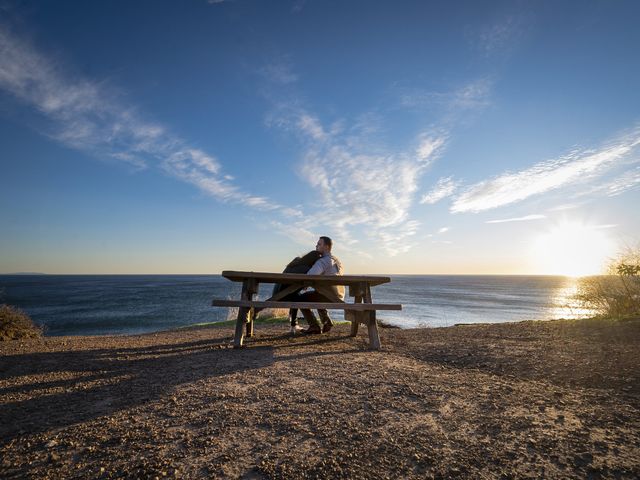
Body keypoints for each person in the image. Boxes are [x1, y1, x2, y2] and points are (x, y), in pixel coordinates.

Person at [298, 236, 344, 334]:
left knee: (300, 299)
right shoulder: (337, 261)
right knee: (318, 293)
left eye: (319, 244)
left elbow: (310, 275)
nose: (316, 246)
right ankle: (326, 321)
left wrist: (304, 285)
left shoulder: (323, 261)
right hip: (339, 295)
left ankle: (314, 326)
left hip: (328, 295)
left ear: (327, 247)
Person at [271, 250, 322, 334]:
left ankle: (294, 325)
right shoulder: (307, 269)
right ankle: (295, 325)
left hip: (276, 293)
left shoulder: (296, 261)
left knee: (297, 295)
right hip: (283, 295)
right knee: (299, 298)